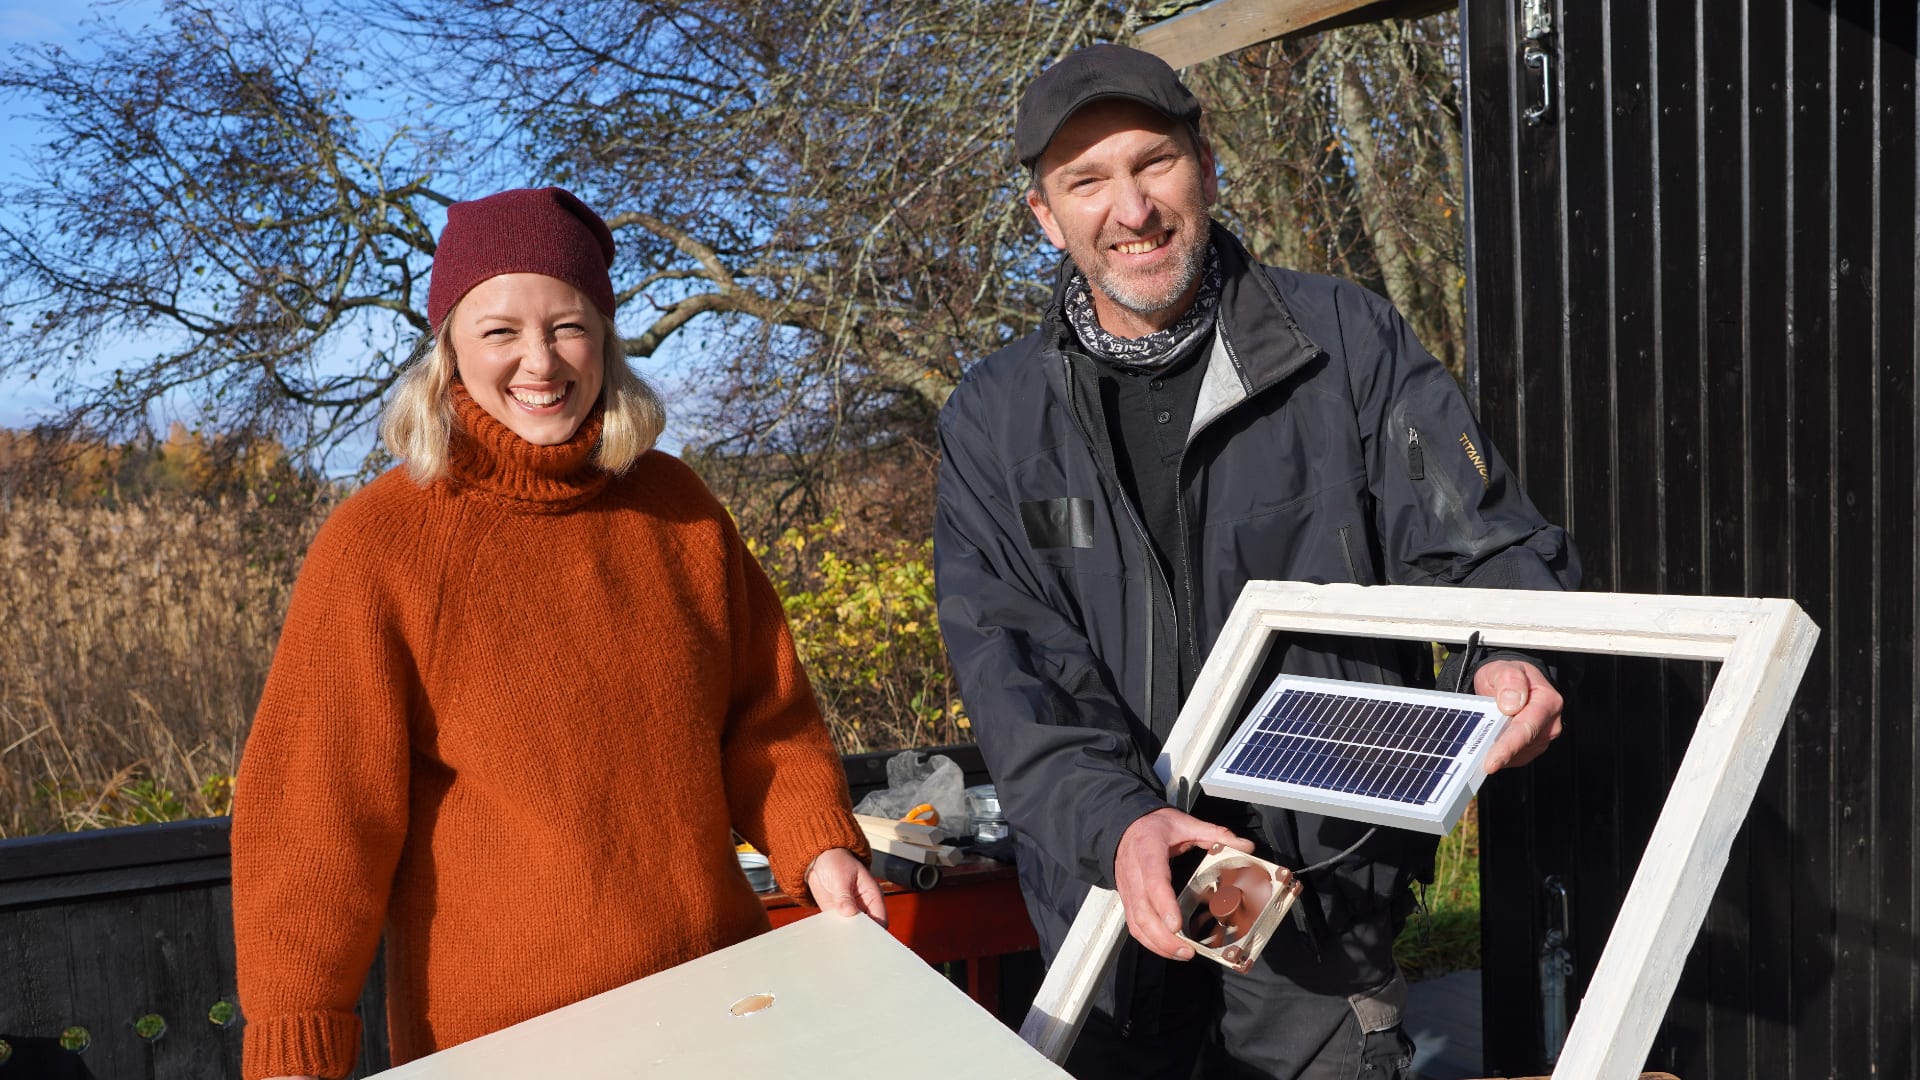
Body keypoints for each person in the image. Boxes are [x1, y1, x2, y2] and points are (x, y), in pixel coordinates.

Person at [933, 45, 1580, 1079]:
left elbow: (1478, 536)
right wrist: (1119, 825)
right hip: (1113, 903)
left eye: (1155, 163)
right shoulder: (994, 418)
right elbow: (1012, 665)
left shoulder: (1345, 339)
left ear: (1207, 167)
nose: (1132, 209)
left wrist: (1509, 650)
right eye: (1087, 181)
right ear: (1045, 217)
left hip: (1323, 895)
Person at [230, 187, 885, 1080]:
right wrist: (295, 1040)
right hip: (511, 1041)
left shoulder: (679, 509)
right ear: (450, 347)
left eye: (567, 326)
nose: (538, 361)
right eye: (500, 330)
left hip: (723, 1006)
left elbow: (762, 719)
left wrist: (818, 842)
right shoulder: (380, 546)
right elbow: (318, 819)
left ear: (605, 341)